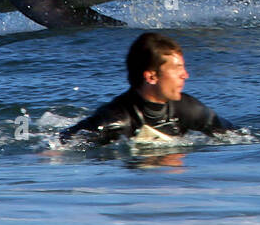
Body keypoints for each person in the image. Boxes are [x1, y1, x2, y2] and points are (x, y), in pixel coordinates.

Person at [59, 32, 234, 145]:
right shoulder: (117, 119)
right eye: (177, 68)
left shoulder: (188, 109)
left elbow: (237, 137)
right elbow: (66, 142)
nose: (185, 75)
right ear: (151, 76)